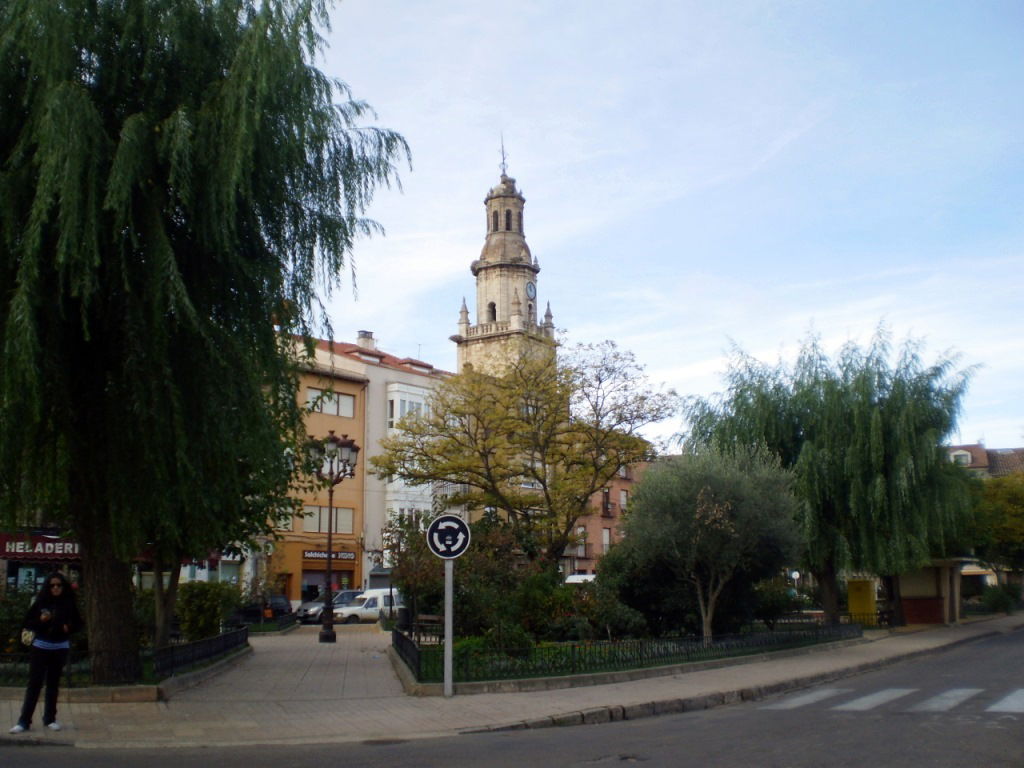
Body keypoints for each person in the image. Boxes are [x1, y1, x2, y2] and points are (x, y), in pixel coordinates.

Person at [9, 571, 83, 734]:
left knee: (53, 684)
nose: (55, 588)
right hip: (41, 645)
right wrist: (41, 621)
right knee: (34, 684)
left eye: (59, 585)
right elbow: (28, 623)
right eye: (52, 586)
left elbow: (78, 623)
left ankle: (50, 718)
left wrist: (68, 628)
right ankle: (24, 720)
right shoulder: (41, 602)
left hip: (59, 646)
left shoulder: (68, 603)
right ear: (47, 587)